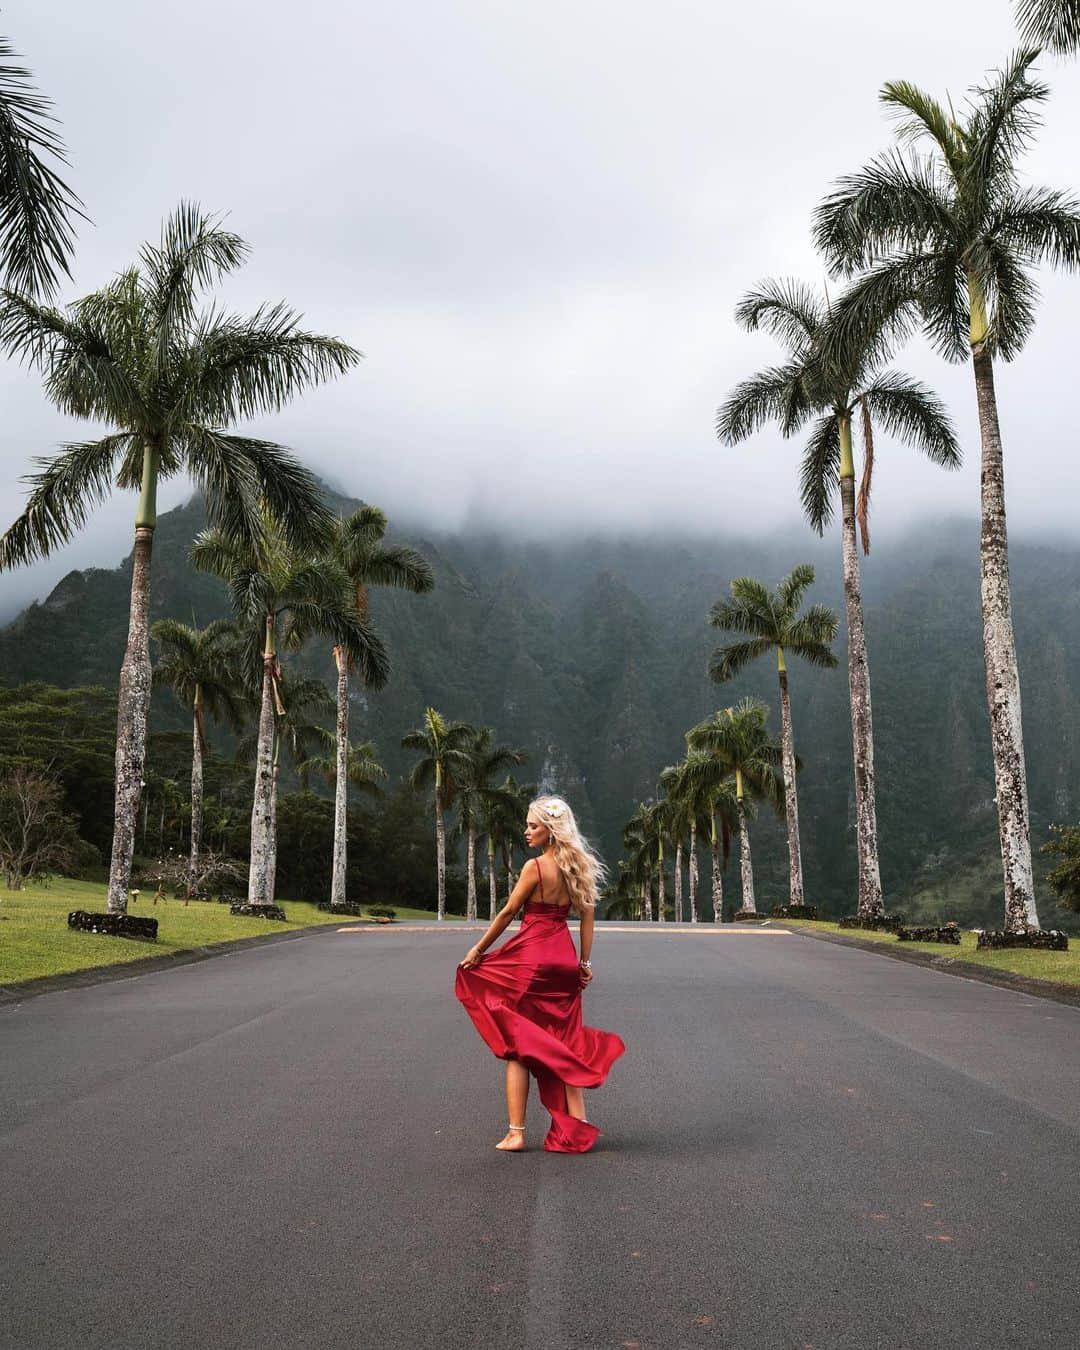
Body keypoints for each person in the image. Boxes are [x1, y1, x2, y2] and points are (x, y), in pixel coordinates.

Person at [455, 794, 625, 1153]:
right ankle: (576, 1125)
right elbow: (588, 918)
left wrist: (478, 950)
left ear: (549, 831)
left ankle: (516, 1132)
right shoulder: (576, 868)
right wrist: (585, 964)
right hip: (563, 961)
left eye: (533, 826)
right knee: (565, 1041)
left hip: (531, 963)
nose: (527, 831)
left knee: (518, 1048)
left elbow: (508, 913)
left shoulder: (535, 868)